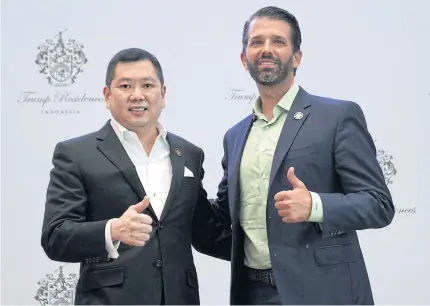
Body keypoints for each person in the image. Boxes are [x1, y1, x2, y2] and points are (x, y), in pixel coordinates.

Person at [202, 6, 395, 305]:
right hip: (254, 294)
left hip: (324, 292)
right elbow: (226, 217)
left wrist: (315, 205)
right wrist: (178, 192)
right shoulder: (235, 135)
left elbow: (378, 204)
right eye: (256, 42)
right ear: (244, 59)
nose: (266, 49)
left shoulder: (337, 117)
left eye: (278, 41)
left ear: (297, 57)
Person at [40, 48, 230, 305]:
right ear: (107, 96)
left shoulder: (189, 154)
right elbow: (55, 236)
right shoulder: (76, 154)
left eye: (148, 85)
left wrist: (276, 248)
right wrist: (113, 230)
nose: (137, 95)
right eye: (125, 85)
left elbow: (206, 231)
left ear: (163, 95)